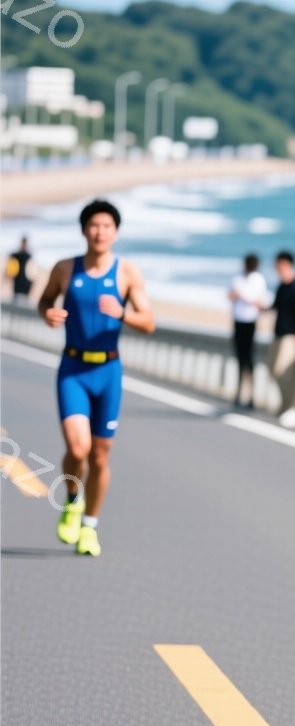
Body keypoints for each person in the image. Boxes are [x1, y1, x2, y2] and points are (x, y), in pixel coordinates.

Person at [36, 200, 156, 556]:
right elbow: (44, 301)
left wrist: (123, 314)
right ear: (83, 229)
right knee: (78, 449)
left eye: (106, 226)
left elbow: (149, 322)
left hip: (108, 372)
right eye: (94, 225)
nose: (100, 231)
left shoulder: (127, 273)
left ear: (115, 232)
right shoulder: (65, 268)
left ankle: (90, 526)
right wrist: (48, 314)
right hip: (73, 369)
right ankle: (73, 500)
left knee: (100, 457)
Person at [267, 250, 295, 428]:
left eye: (277, 263)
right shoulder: (281, 286)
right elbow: (273, 308)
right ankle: (285, 406)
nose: (275, 266)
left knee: (283, 371)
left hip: (290, 336)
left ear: (285, 263)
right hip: (278, 334)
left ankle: (291, 408)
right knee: (272, 369)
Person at [228, 252, 267, 409]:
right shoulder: (237, 279)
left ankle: (250, 395)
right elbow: (230, 296)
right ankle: (239, 393)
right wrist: (238, 295)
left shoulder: (258, 279)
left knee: (250, 359)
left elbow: (260, 301)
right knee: (239, 358)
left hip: (251, 322)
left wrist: (248, 298)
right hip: (238, 321)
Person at [9, 235, 33, 303]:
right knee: (15, 299)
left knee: (25, 300)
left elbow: (31, 269)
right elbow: (11, 269)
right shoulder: (16, 255)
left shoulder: (28, 255)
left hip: (25, 280)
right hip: (17, 280)